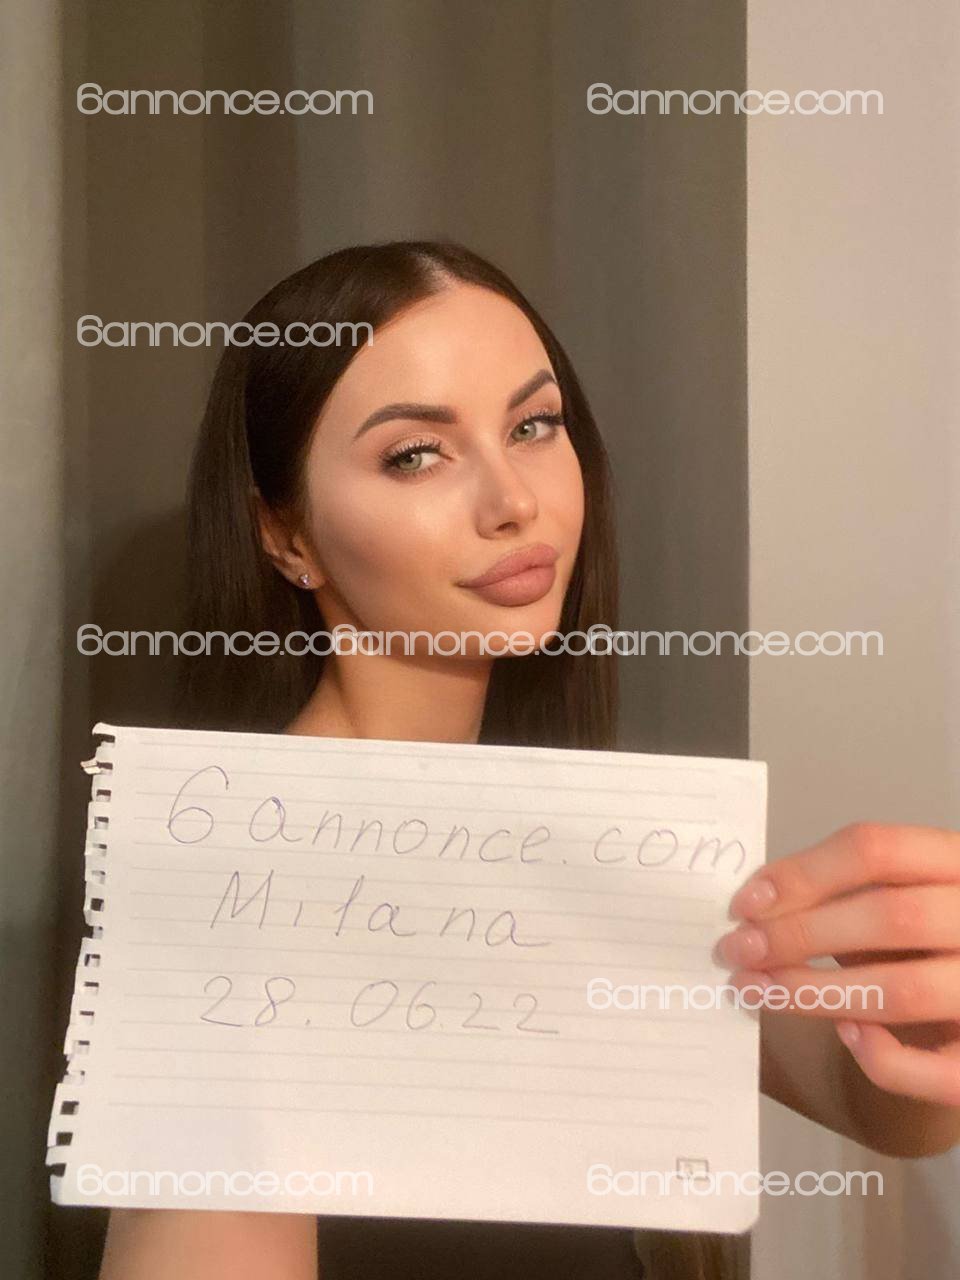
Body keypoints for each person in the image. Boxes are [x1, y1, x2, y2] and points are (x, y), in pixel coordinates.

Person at [98, 241, 960, 1280]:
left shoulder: (596, 841)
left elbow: (878, 1097)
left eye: (532, 426)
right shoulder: (234, 888)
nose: (513, 499)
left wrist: (924, 1013)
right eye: (415, 454)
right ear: (286, 536)